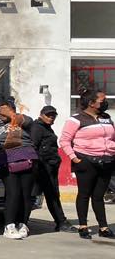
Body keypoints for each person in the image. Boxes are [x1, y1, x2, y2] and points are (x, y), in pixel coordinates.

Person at [59, 88, 115, 239]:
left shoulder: (106, 118)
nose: (105, 103)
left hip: (106, 161)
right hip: (85, 161)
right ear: (91, 103)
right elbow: (64, 140)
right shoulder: (76, 119)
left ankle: (103, 227)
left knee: (99, 196)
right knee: (84, 194)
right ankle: (83, 226)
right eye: (102, 101)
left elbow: (112, 138)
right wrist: (74, 158)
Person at [0, 99, 39, 239]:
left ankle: (23, 224)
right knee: (13, 193)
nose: (1, 113)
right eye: (0, 110)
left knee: (26, 195)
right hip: (8, 160)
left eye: (5, 110)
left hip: (28, 159)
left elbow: (28, 122)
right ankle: (9, 225)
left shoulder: (21, 119)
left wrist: (11, 115)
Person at [31, 105, 74, 232]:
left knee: (51, 195)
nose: (51, 117)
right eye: (48, 115)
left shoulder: (46, 128)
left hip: (49, 167)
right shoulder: (37, 128)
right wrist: (39, 165)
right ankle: (60, 222)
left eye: (53, 115)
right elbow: (33, 147)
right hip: (42, 168)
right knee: (47, 195)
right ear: (41, 115)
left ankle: (60, 221)